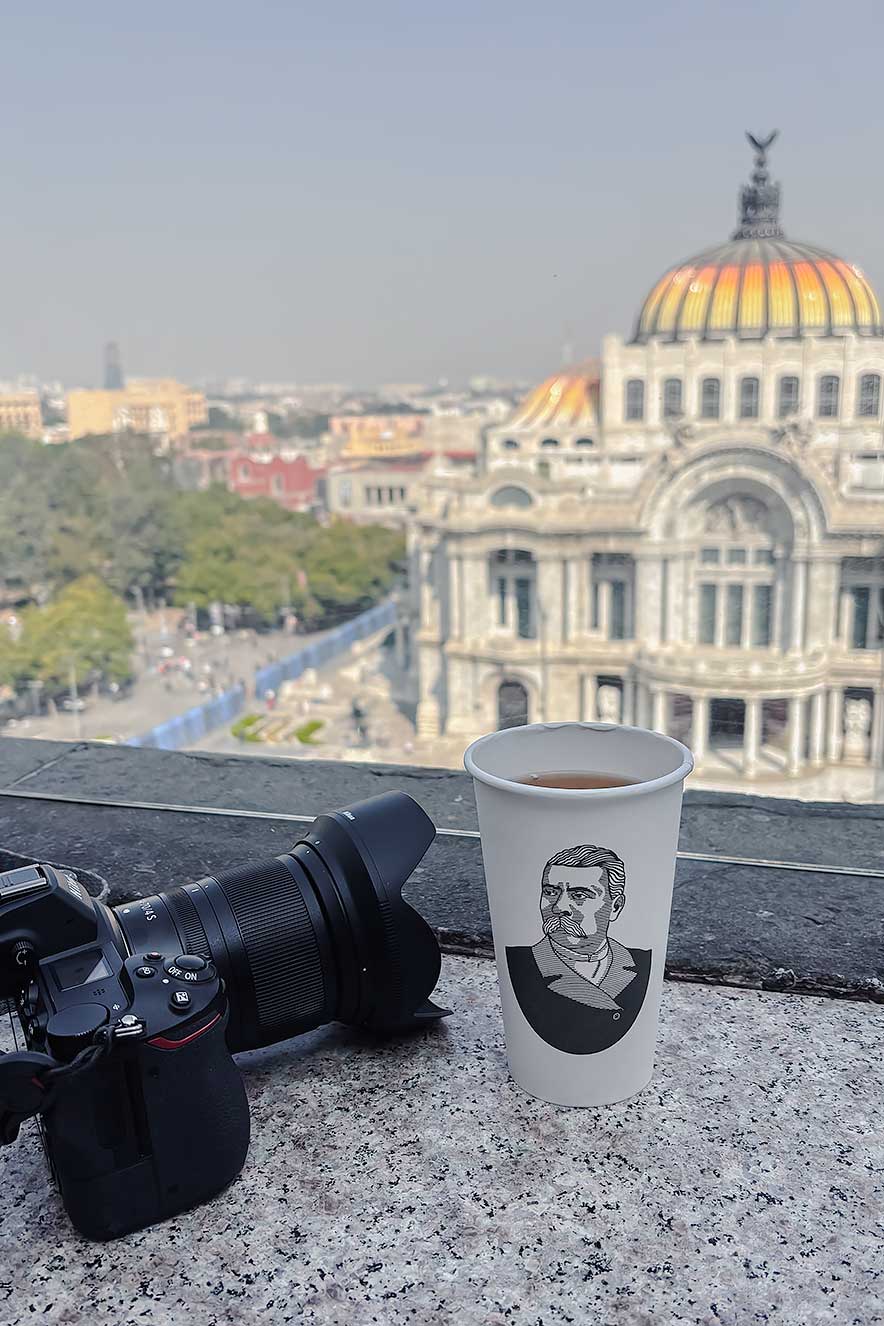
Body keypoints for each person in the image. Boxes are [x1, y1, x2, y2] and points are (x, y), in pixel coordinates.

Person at [506, 844, 650, 1055]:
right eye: (550, 892)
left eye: (580, 895)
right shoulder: (521, 962)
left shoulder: (641, 962)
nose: (559, 907)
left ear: (616, 907)